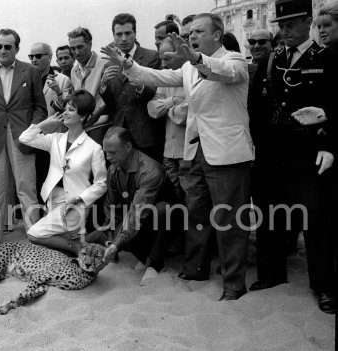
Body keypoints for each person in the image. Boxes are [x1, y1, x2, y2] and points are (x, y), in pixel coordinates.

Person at [102, 13, 254, 301]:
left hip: (227, 154)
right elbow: (158, 76)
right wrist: (128, 66)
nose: (192, 36)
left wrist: (194, 58)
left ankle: (234, 283)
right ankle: (196, 268)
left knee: (229, 219)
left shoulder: (234, 59)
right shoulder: (188, 68)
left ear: (218, 34)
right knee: (196, 213)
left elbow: (220, 71)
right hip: (195, 151)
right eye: (190, 32)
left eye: (198, 31)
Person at [248, 0, 337, 314]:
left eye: (291, 24)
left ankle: (325, 286)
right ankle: (271, 275)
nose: (284, 31)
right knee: (269, 215)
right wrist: (260, 146)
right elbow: (256, 110)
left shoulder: (328, 58)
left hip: (309, 151)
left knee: (316, 220)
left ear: (308, 21)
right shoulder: (271, 59)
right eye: (281, 25)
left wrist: (328, 145)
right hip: (272, 153)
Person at [0, 28, 47, 253]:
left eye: (7, 46)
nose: (2, 50)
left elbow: (40, 108)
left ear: (16, 48)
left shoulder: (30, 71)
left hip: (22, 137)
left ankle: (35, 236)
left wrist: (31, 131)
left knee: (26, 186)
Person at [19, 90, 106, 255]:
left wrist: (79, 199)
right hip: (52, 198)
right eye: (65, 108)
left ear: (83, 116)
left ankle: (81, 246)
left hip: (75, 204)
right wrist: (43, 124)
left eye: (71, 110)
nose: (65, 112)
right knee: (56, 247)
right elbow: (25, 139)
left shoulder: (94, 148)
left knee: (33, 234)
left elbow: (101, 184)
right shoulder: (55, 139)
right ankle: (90, 238)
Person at [98, 127, 178, 286]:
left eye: (113, 152)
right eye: (106, 152)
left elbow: (137, 213)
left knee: (164, 210)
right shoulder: (113, 170)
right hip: (139, 218)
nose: (108, 157)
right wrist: (110, 239)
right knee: (118, 233)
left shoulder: (150, 170)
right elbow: (112, 207)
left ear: (128, 147)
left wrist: (116, 244)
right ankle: (146, 258)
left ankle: (156, 263)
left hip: (166, 220)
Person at [100, 13, 164, 162]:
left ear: (135, 33)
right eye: (119, 34)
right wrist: (103, 86)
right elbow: (112, 104)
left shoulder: (152, 57)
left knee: (152, 177)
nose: (123, 38)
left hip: (147, 133)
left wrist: (140, 85)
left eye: (128, 33)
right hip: (120, 134)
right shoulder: (109, 64)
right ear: (114, 36)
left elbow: (155, 93)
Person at [29, 42, 72, 204]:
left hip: (53, 136)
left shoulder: (63, 80)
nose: (34, 60)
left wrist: (59, 93)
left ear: (49, 57)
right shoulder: (27, 79)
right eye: (31, 56)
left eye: (38, 56)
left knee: (51, 177)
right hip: (33, 135)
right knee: (35, 177)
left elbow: (69, 109)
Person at [147, 37, 188, 204]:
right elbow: (152, 110)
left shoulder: (192, 77)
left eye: (167, 58)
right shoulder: (165, 79)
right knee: (175, 200)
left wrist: (165, 107)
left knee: (192, 200)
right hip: (168, 153)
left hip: (187, 153)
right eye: (161, 59)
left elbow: (185, 115)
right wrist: (173, 101)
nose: (162, 64)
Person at [68, 27, 110, 144]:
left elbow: (115, 97)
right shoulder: (74, 70)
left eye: (80, 47)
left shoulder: (105, 63)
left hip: (102, 127)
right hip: (82, 128)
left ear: (90, 44)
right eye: (73, 48)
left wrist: (99, 111)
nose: (76, 52)